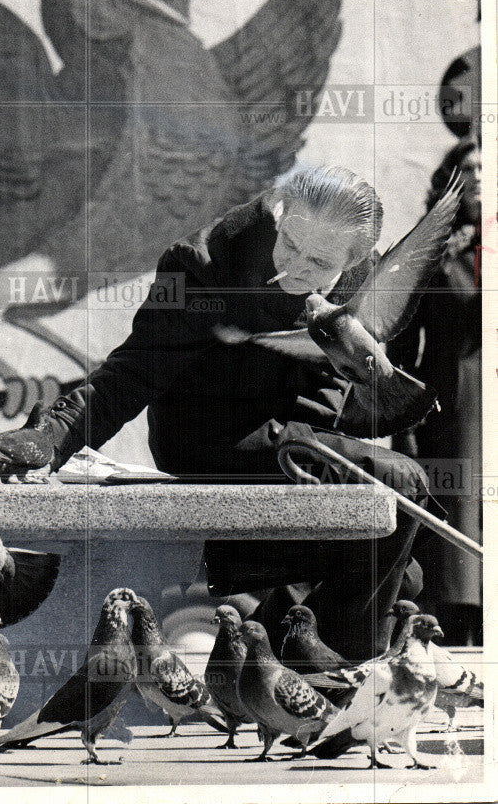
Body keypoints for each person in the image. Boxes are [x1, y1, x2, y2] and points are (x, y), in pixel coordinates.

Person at [26, 165, 431, 661]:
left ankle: (247, 665)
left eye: (319, 261)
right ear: (281, 215)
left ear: (356, 260)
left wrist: (325, 473)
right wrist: (52, 435)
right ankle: (330, 684)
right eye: (290, 247)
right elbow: (131, 374)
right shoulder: (202, 264)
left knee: (398, 565)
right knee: (398, 482)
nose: (297, 269)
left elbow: (329, 388)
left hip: (292, 438)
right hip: (210, 440)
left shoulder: (358, 280)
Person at [392, 140, 482, 645]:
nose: (476, 177)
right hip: (452, 410)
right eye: (466, 168)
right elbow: (402, 346)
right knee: (456, 535)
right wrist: (401, 425)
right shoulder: (434, 251)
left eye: (485, 168)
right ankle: (454, 645)